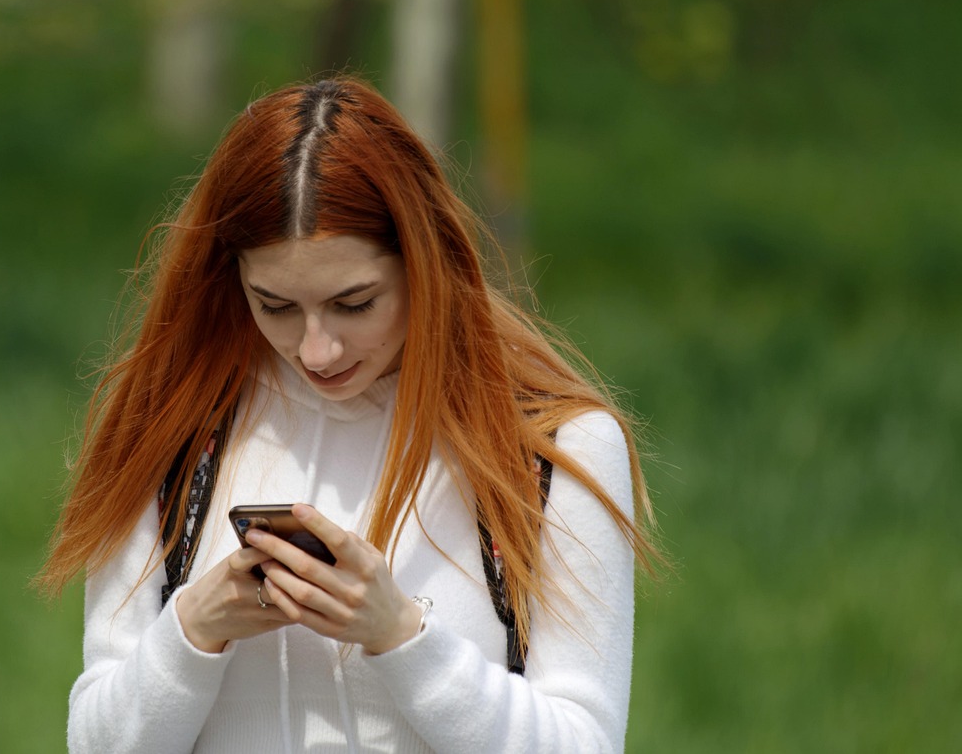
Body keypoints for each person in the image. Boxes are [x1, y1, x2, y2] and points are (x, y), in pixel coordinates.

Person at [38, 77, 660, 753]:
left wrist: (400, 635)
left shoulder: (551, 445)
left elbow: (584, 742)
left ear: (425, 260)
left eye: (354, 303)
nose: (318, 349)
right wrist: (194, 628)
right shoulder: (173, 429)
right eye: (275, 306)